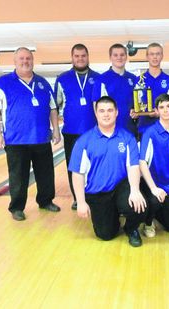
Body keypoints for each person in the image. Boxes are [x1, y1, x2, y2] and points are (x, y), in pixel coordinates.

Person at [0, 47, 61, 221]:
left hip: (41, 138)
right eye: (21, 58)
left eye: (28, 58)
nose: (25, 61)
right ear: (15, 61)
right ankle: (16, 208)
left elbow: (53, 108)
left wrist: (56, 130)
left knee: (45, 173)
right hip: (16, 140)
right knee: (18, 177)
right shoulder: (3, 83)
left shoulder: (43, 83)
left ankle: (45, 201)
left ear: (32, 60)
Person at [69, 96, 147, 247]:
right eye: (102, 111)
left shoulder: (127, 137)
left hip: (121, 187)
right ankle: (112, 215)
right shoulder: (84, 141)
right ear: (96, 113)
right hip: (97, 193)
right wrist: (80, 202)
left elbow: (133, 166)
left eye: (110, 110)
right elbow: (77, 174)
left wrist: (135, 191)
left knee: (140, 206)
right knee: (106, 235)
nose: (106, 114)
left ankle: (131, 229)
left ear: (117, 112)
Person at [55, 43, 100, 210]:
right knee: (74, 166)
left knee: (94, 165)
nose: (80, 59)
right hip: (71, 132)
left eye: (83, 56)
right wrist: (53, 129)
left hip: (94, 132)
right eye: (77, 56)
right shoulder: (62, 79)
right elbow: (55, 105)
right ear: (72, 58)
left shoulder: (98, 78)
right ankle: (77, 198)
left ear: (88, 57)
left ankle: (94, 194)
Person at [139, 94, 169, 237]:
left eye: (168, 106)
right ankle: (148, 221)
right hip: (152, 184)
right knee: (155, 201)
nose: (165, 110)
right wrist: (154, 189)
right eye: (161, 107)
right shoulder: (150, 133)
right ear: (157, 111)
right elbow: (142, 163)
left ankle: (157, 211)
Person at [92, 43, 138, 135]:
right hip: (110, 130)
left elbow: (137, 103)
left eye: (122, 55)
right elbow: (96, 106)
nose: (119, 57)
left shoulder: (133, 79)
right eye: (115, 55)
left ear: (126, 56)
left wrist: (136, 112)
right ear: (110, 57)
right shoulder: (102, 80)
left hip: (130, 129)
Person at [133, 43, 169, 137]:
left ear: (162, 56)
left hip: (165, 130)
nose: (155, 57)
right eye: (152, 54)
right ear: (147, 56)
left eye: (158, 54)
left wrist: (159, 113)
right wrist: (134, 112)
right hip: (143, 129)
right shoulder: (139, 80)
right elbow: (135, 104)